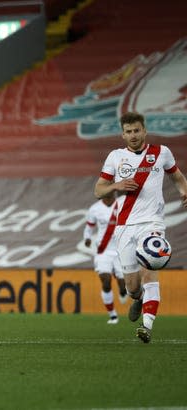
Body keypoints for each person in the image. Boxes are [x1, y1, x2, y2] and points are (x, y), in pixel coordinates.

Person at [94, 111, 187, 343]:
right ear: (123, 134)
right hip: (125, 226)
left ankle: (147, 326)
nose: (133, 135)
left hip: (152, 223)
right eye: (128, 132)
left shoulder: (161, 153)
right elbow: (98, 190)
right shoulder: (115, 157)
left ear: (144, 130)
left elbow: (176, 176)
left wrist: (185, 191)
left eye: (137, 130)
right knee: (133, 287)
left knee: (150, 269)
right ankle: (138, 298)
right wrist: (117, 184)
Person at [83, 192, 129, 324]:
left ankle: (122, 291)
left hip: (120, 249)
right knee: (106, 280)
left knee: (123, 284)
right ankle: (113, 315)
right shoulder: (95, 208)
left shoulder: (122, 203)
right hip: (103, 250)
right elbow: (89, 227)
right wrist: (87, 237)